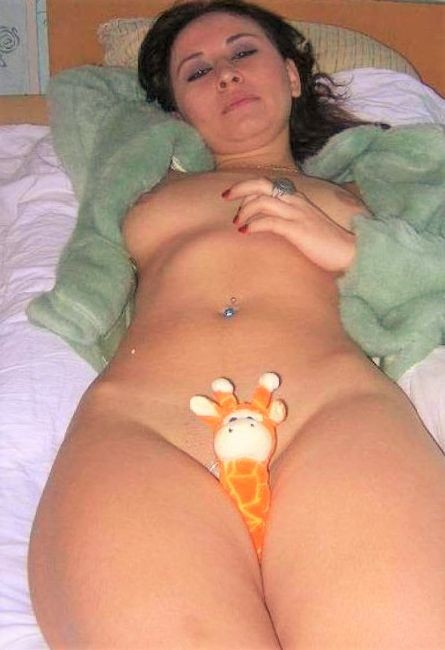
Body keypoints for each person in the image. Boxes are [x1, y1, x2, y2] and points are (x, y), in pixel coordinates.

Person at [28, 1, 445, 648]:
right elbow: (79, 91)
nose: (224, 74)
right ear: (174, 107)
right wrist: (151, 102)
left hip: (332, 414)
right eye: (196, 72)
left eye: (244, 52)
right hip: (144, 428)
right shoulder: (146, 180)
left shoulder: (361, 190)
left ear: (292, 75)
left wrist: (355, 250)